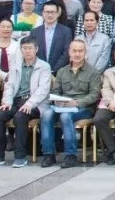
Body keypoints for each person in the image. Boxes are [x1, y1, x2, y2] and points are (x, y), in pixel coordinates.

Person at [0, 37, 50, 168]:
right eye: (24, 48)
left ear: (36, 49)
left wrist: (29, 104)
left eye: (30, 48)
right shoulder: (15, 66)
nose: (27, 51)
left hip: (35, 103)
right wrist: (7, 102)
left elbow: (43, 90)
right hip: (16, 101)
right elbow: (9, 86)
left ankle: (20, 156)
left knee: (20, 116)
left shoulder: (44, 66)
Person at [39, 39, 101, 168]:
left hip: (83, 107)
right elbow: (56, 91)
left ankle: (70, 155)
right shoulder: (62, 71)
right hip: (62, 105)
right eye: (74, 51)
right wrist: (57, 100)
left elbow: (94, 95)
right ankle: (48, 154)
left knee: (65, 116)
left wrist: (76, 102)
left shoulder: (93, 72)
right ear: (69, 52)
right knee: (46, 114)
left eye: (80, 51)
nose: (77, 54)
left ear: (85, 53)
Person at [30, 0, 73, 71]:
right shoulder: (35, 32)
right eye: (47, 12)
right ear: (42, 13)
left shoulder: (66, 31)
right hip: (38, 71)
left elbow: (66, 53)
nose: (50, 15)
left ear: (58, 14)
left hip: (59, 72)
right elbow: (32, 52)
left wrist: (54, 70)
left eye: (52, 12)